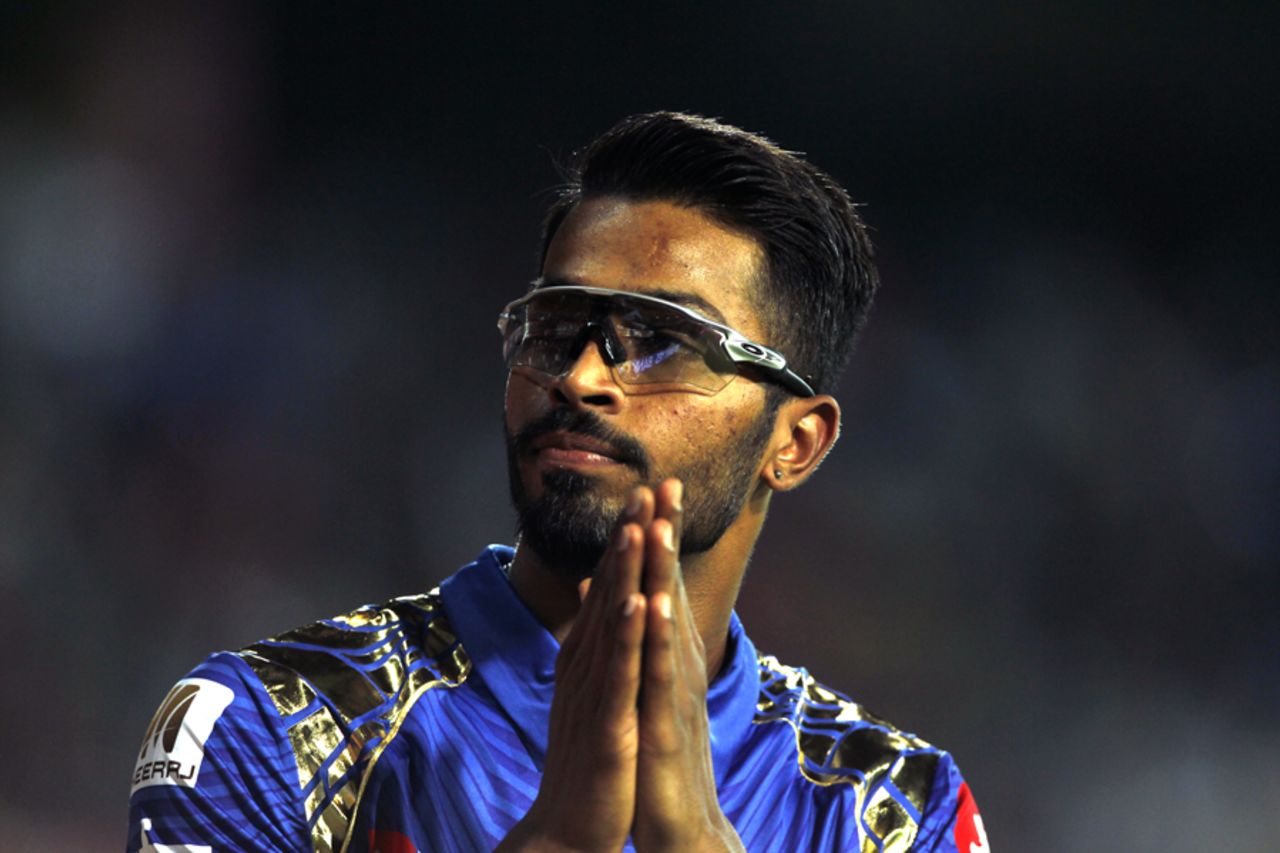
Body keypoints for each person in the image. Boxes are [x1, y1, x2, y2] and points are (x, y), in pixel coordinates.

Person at [126, 112, 987, 852]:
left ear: (797, 441)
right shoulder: (269, 726)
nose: (580, 376)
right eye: (556, 324)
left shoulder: (892, 808)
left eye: (662, 339)